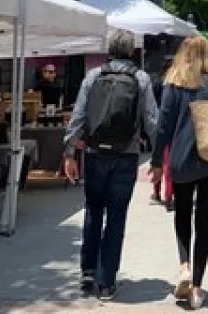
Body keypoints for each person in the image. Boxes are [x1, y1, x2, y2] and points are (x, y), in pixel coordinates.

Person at [63, 30, 158, 301]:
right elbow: (152, 120)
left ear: (109, 49)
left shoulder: (93, 76)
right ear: (131, 51)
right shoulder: (140, 79)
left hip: (94, 154)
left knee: (93, 210)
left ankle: (88, 271)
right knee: (116, 216)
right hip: (125, 155)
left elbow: (78, 116)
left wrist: (70, 152)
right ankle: (106, 283)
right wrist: (161, 156)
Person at [150, 36, 208, 311]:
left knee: (183, 213)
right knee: (205, 220)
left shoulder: (174, 82)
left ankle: (184, 264)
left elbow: (163, 125)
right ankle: (197, 286)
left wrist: (156, 161)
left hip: (182, 159)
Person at [150, 59, 175, 211]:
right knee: (167, 164)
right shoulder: (175, 85)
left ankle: (158, 192)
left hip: (158, 127)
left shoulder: (158, 83)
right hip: (172, 128)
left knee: (158, 160)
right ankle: (168, 196)